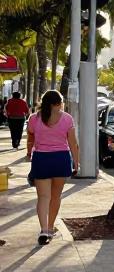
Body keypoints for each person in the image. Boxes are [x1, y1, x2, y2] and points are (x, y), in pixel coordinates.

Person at [26, 90, 79, 245]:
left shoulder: (34, 118)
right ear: (58, 103)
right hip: (61, 159)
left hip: (41, 159)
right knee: (55, 196)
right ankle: (50, 228)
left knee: (43, 197)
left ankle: (43, 230)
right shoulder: (67, 118)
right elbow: (73, 144)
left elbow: (31, 138)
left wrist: (29, 152)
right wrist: (76, 163)